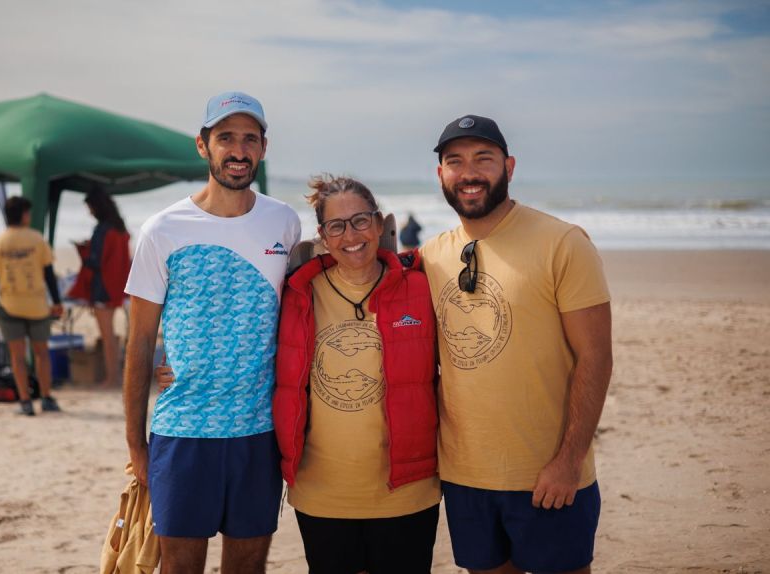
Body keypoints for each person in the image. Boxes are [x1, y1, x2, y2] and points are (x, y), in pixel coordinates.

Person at [417, 115, 612, 574]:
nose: (469, 173)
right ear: (440, 175)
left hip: (547, 474)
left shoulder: (562, 243)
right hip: (465, 476)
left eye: (483, 159)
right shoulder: (430, 256)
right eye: (455, 161)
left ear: (509, 166)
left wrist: (569, 460)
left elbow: (597, 357)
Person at [123, 91, 300, 574]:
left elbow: (309, 308)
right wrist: (136, 445)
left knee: (247, 568)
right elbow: (139, 340)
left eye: (249, 139)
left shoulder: (284, 221)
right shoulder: (163, 229)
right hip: (182, 433)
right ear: (203, 146)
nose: (237, 150)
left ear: (263, 148)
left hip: (258, 434)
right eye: (225, 138)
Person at [273, 175, 441, 573]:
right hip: (322, 492)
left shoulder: (421, 286)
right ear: (324, 236)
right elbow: (246, 345)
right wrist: (178, 366)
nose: (351, 234)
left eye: (361, 220)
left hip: (407, 490)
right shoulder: (298, 293)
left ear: (380, 224)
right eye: (337, 225)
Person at [0, 196, 64, 416]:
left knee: (17, 356)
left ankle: (25, 401)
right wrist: (57, 301)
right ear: (25, 215)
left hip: (10, 305)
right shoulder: (37, 239)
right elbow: (49, 274)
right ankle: (46, 397)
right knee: (41, 353)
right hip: (37, 306)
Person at [68, 187, 131, 387]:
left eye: (90, 208)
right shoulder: (119, 228)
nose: (89, 212)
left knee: (107, 334)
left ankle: (112, 377)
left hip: (103, 286)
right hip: (118, 284)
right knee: (112, 333)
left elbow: (95, 262)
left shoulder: (102, 229)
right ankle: (116, 375)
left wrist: (84, 249)